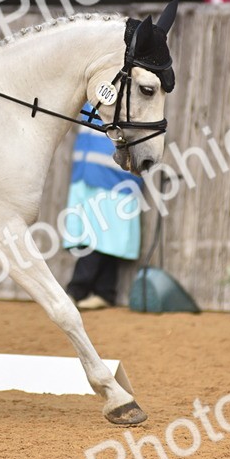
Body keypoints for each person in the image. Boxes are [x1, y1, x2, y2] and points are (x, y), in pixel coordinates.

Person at [62, 107, 142, 309]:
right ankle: (105, 291)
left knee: (99, 234)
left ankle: (75, 290)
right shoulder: (94, 91)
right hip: (87, 170)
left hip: (112, 176)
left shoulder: (128, 93)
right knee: (102, 236)